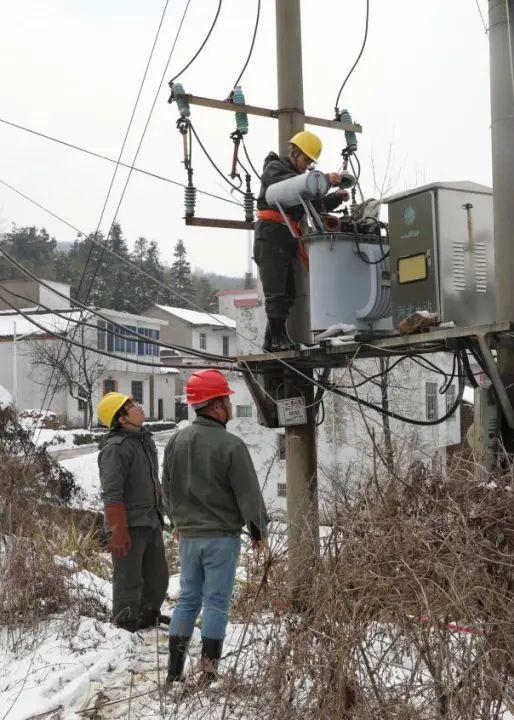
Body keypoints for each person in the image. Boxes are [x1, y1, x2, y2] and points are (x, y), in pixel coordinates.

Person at [161, 370, 270, 685]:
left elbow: (166, 488)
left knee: (187, 600)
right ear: (217, 404)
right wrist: (258, 533)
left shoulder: (176, 441)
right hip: (221, 538)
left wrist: (177, 523)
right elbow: (248, 493)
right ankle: (209, 675)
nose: (230, 405)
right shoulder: (231, 445)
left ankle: (174, 674)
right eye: (227, 399)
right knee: (216, 602)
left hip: (188, 537)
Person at [254, 129, 350, 351]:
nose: (306, 165)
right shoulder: (275, 168)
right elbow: (295, 184)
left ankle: (272, 340)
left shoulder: (297, 180)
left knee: (287, 293)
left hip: (286, 235)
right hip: (270, 235)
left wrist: (335, 197)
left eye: (309, 162)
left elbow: (311, 204)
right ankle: (278, 339)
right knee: (276, 292)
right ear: (294, 152)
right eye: (306, 159)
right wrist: (323, 180)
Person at [96, 391, 169, 632]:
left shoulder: (144, 440)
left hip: (151, 519)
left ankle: (149, 614)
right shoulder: (115, 449)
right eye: (132, 406)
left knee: (157, 576)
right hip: (130, 524)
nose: (139, 406)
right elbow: (112, 493)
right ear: (122, 419)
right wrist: (117, 529)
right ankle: (125, 623)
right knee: (129, 578)